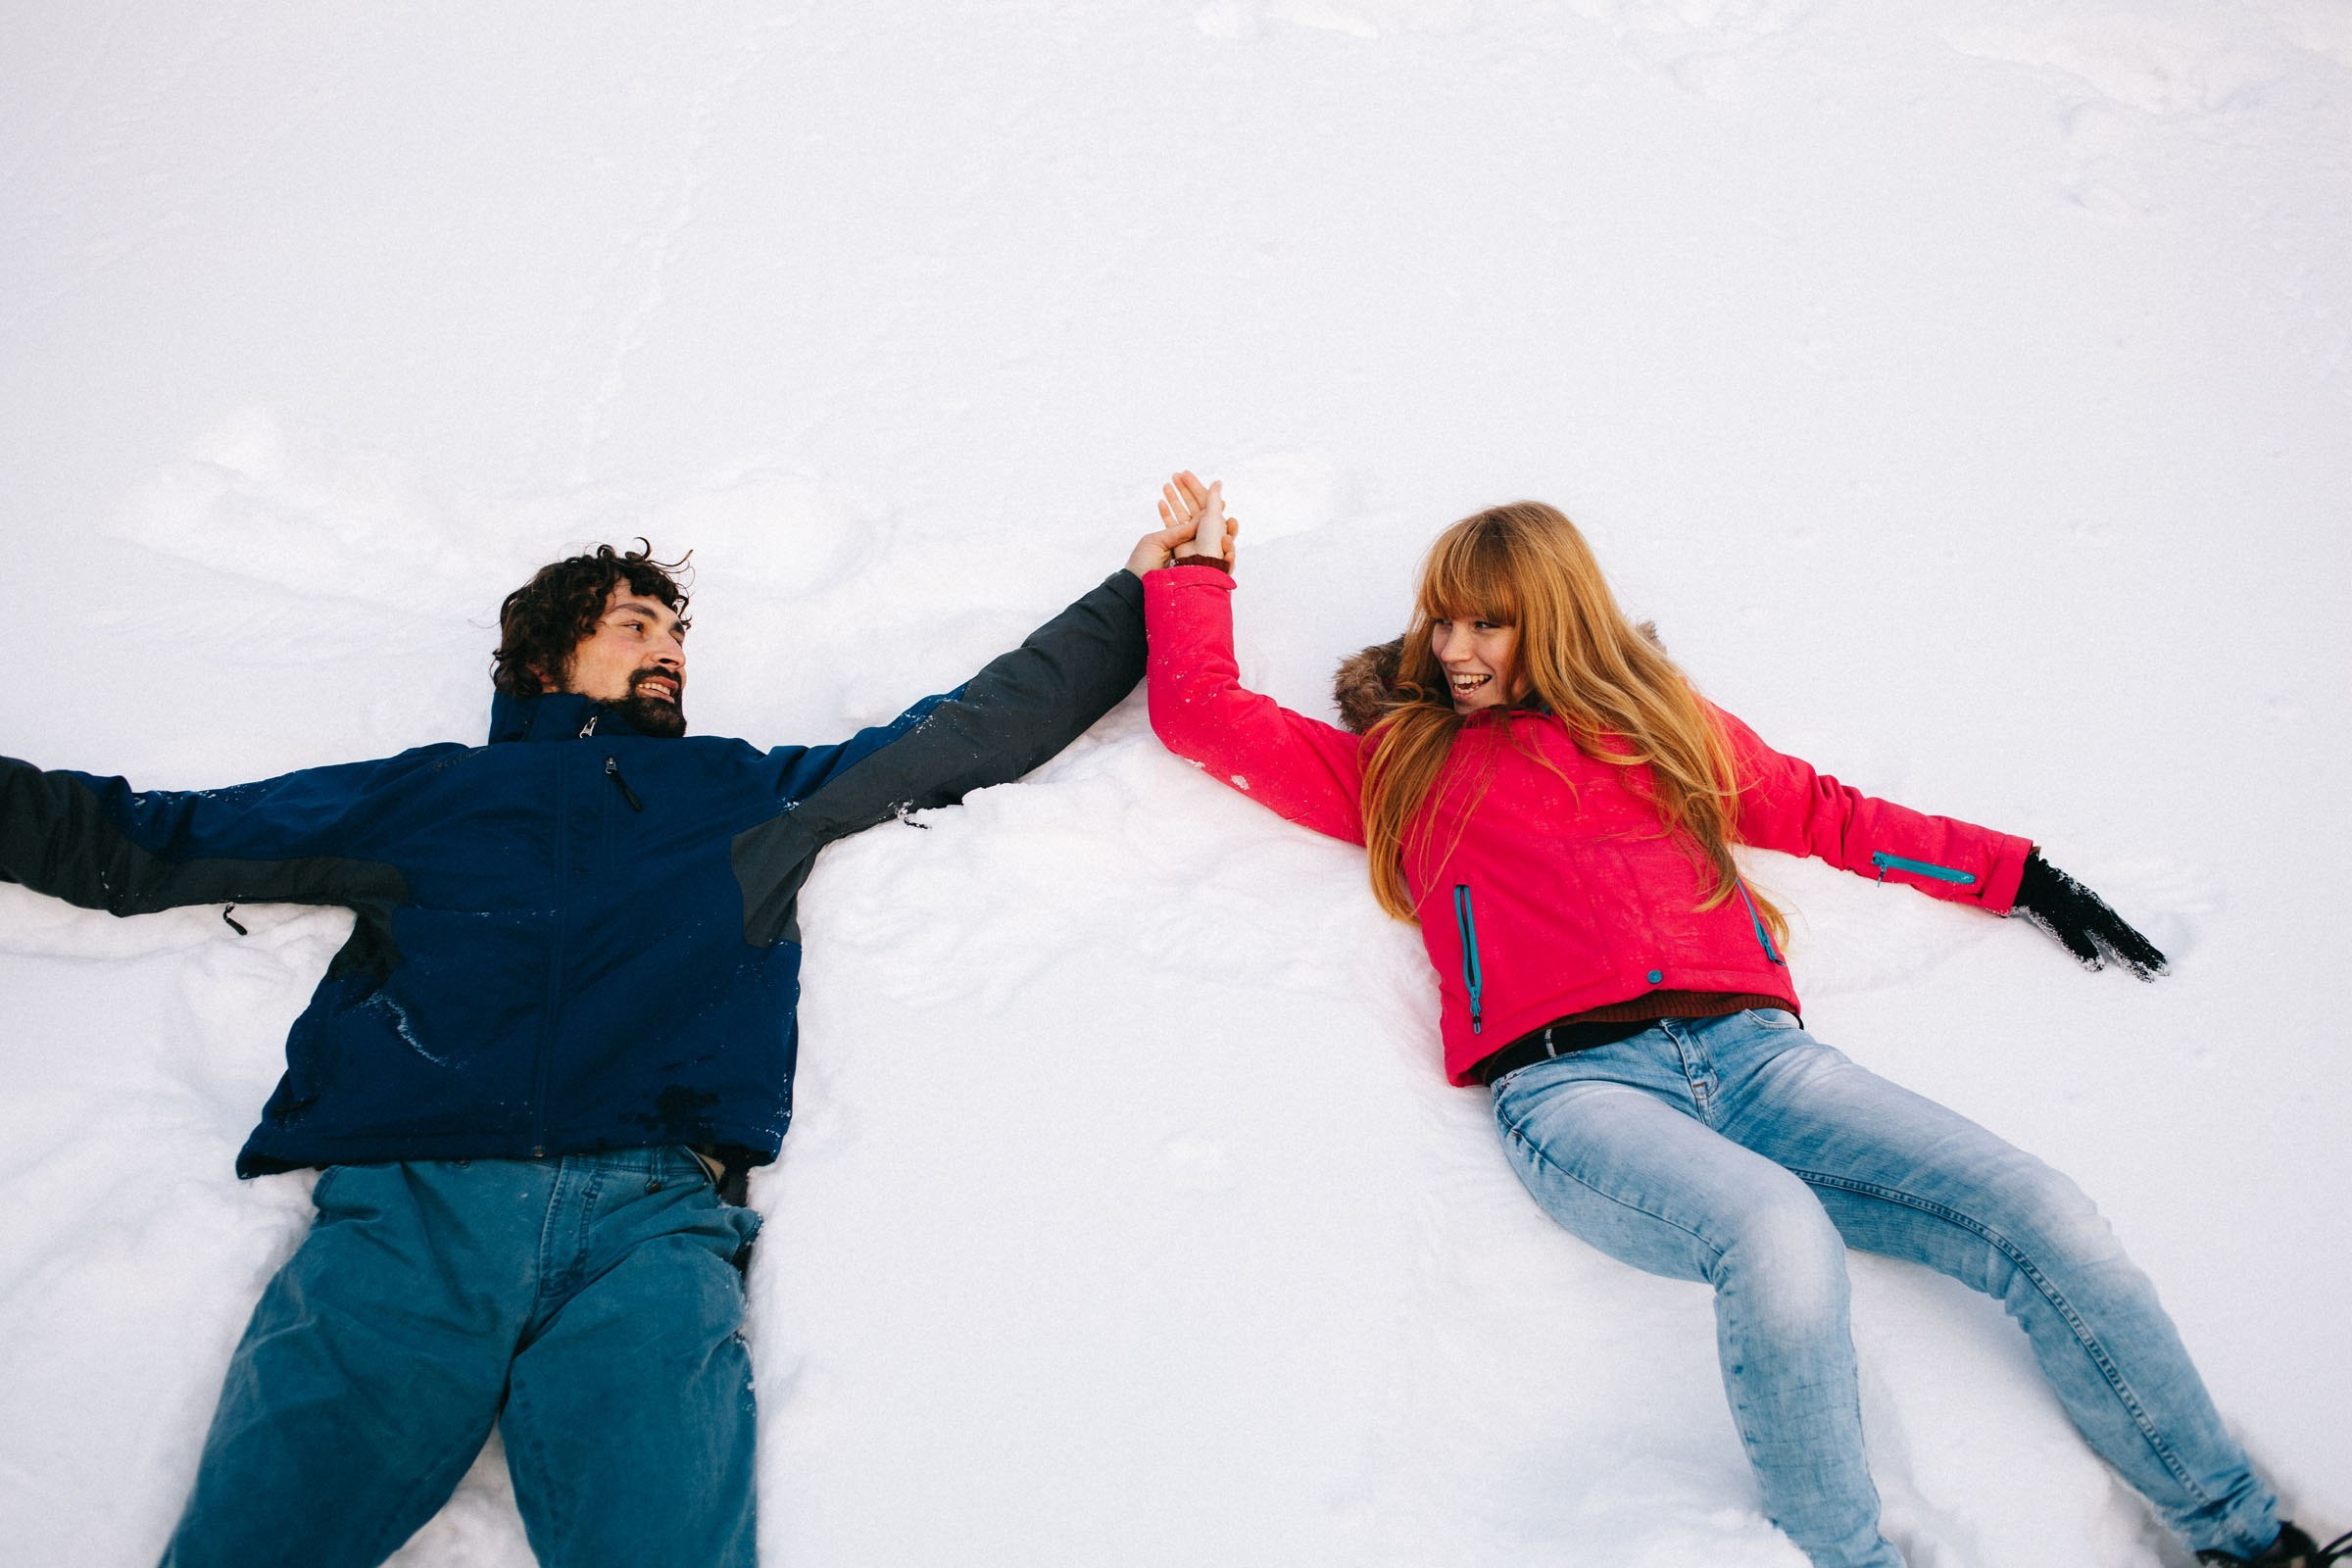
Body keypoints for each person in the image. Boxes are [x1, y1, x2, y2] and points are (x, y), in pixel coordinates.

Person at [1138, 474, 2339, 1568]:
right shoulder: (1402, 768)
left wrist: (2021, 875)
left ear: (1553, 620)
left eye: (1486, 621)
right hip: (1578, 1091)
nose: (1453, 648)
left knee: (2042, 1210)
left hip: (1759, 1057)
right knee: (1776, 1232)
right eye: (1441, 619)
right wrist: (1191, 574)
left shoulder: (1661, 732)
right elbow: (1206, 719)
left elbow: (1832, 814)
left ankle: (2244, 1536)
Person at [0, 520, 1202, 1568]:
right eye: (637, 622)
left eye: (676, 629)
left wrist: (1138, 600)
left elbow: (967, 733)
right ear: (544, 655)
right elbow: (155, 840)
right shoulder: (427, 797)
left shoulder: (740, 796)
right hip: (414, 1214)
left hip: (646, 1233)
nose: (669, 644)